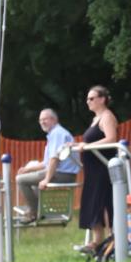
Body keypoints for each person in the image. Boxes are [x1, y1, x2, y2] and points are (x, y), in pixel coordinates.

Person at [75, 85, 118, 252]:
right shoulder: (95, 119)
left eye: (91, 98)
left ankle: (112, 239)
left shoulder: (107, 117)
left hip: (103, 167)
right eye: (87, 99)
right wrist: (79, 145)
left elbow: (111, 138)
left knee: (103, 202)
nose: (88, 102)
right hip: (92, 169)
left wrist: (88, 146)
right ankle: (97, 241)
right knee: (93, 203)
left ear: (102, 99)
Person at [15, 108, 78, 222]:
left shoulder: (57, 134)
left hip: (63, 174)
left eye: (45, 119)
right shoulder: (54, 134)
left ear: (54, 119)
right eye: (40, 120)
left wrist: (46, 179)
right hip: (61, 172)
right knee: (29, 178)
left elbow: (54, 159)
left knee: (20, 180)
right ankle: (39, 210)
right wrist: (27, 169)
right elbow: (46, 163)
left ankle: (34, 213)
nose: (42, 122)